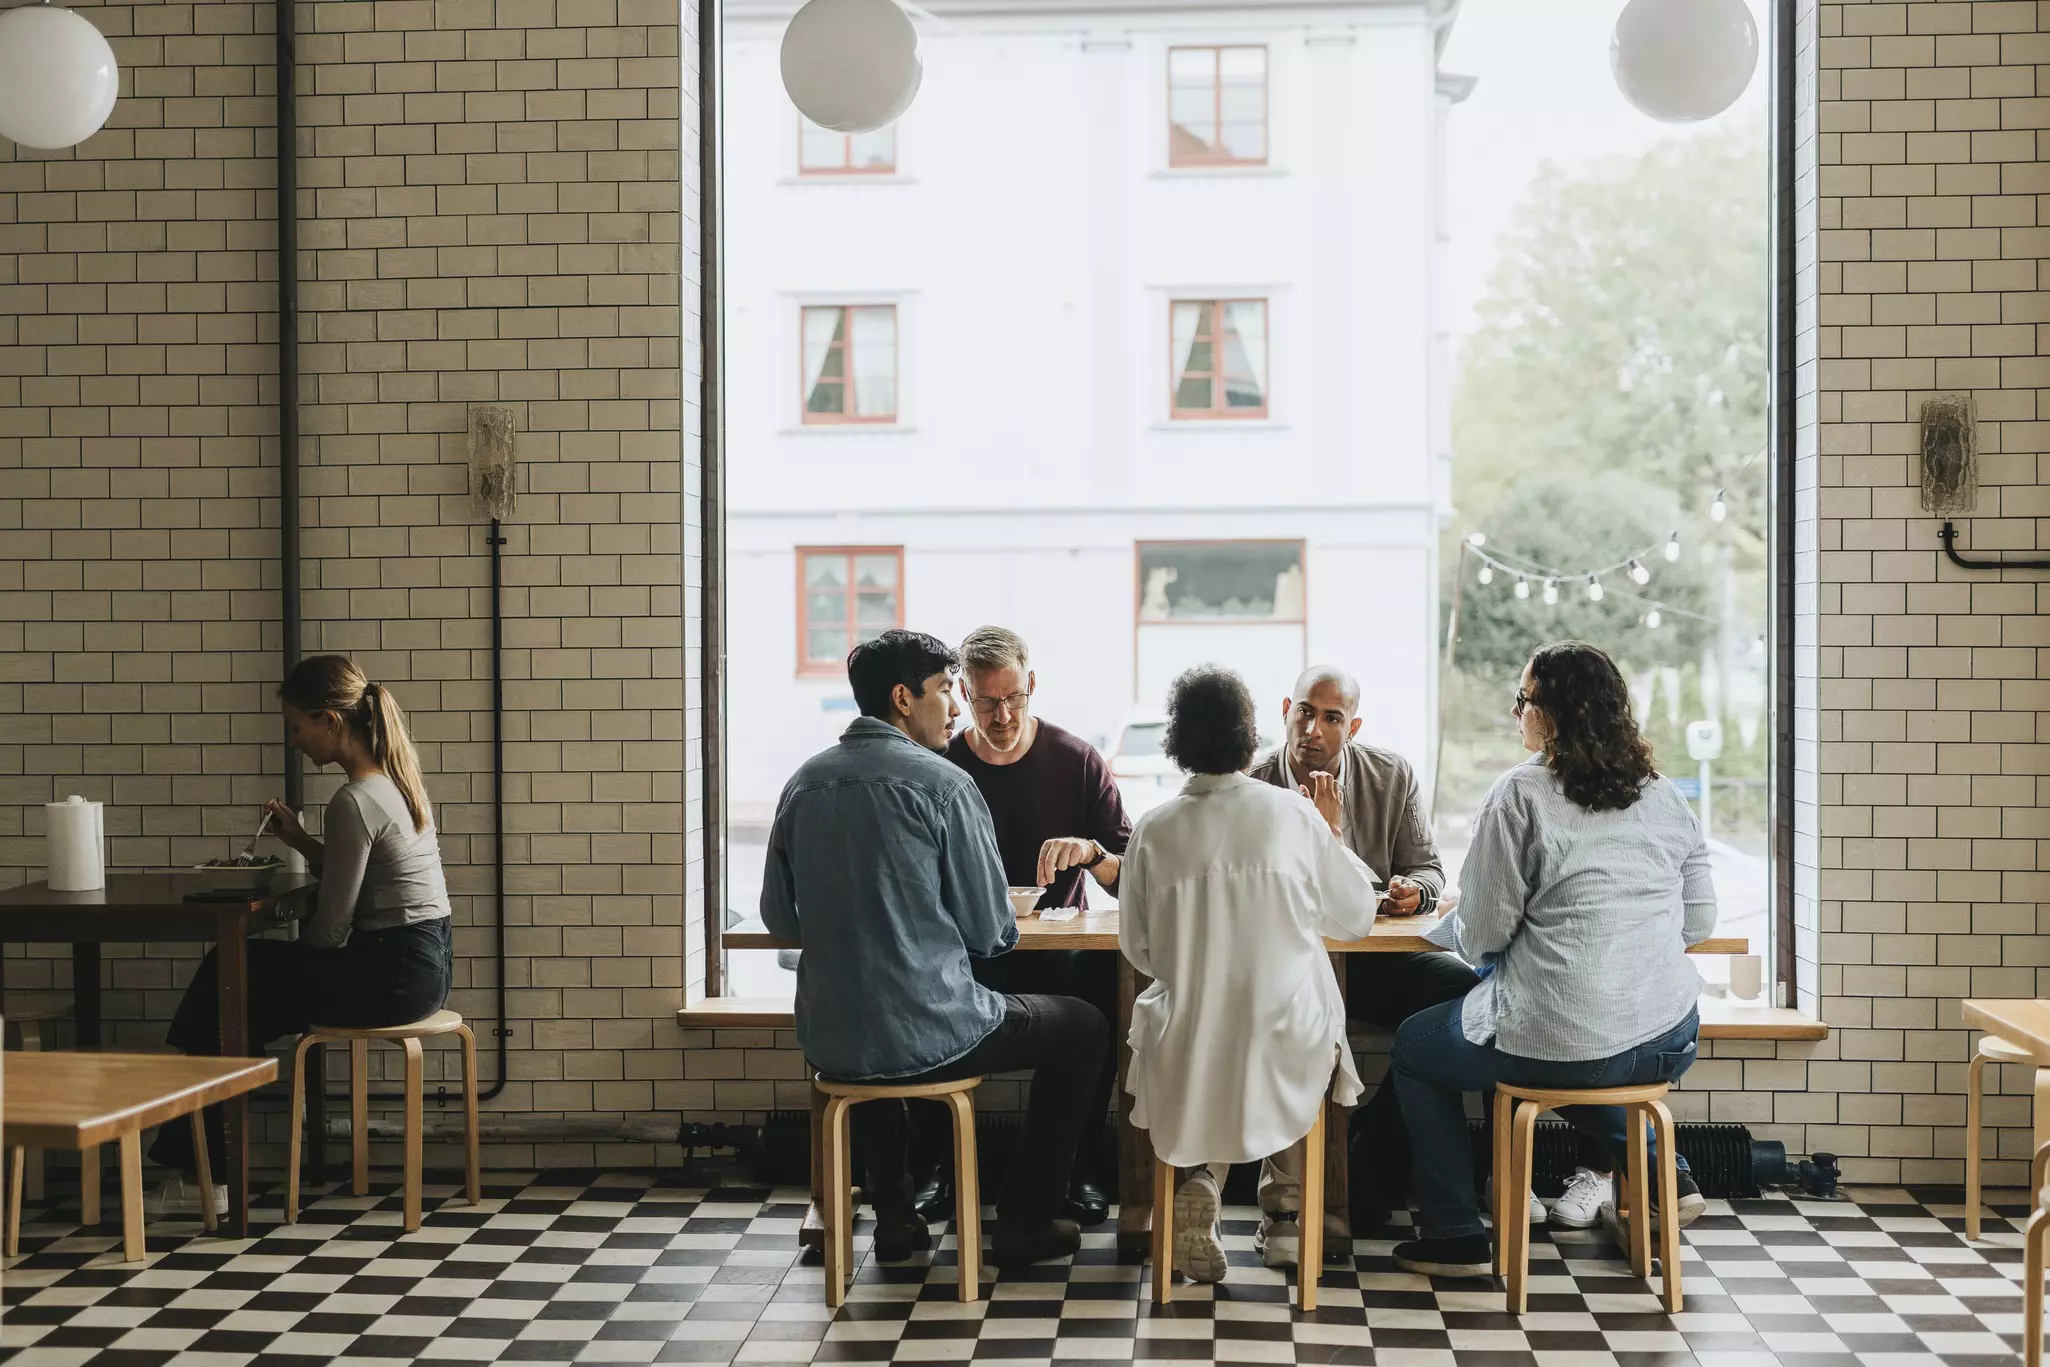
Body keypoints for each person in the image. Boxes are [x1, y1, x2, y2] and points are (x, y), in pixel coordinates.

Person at [761, 629, 1108, 1267]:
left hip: (830, 1038)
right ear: (902, 697)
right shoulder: (944, 785)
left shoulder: (802, 785)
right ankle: (1027, 1218)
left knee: (870, 1029)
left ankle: (895, 1217)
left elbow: (779, 917)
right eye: (948, 691)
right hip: (932, 1033)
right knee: (1084, 1027)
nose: (955, 707)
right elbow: (989, 935)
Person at [1388, 641, 1715, 1277]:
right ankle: (1658, 1164)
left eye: (1524, 700)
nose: (1517, 713)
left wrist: (1469, 915)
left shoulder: (1521, 793)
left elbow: (1481, 936)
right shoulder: (1665, 796)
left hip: (1558, 1036)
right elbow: (1699, 920)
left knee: (1418, 1049)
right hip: (1670, 1035)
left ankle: (1454, 1232)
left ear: (1555, 712)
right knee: (1584, 1050)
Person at [147, 655, 455, 1215]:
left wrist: (284, 950)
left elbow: (333, 927)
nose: (294, 740)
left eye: (297, 726)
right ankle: (202, 1161)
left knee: (229, 978)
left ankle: (202, 1173)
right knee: (234, 991)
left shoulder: (354, 800)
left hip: (389, 974)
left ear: (331, 722)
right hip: (423, 966)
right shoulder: (394, 783)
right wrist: (300, 840)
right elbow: (356, 877)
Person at [1120, 666, 1380, 1282]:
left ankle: (1202, 1181)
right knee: (1290, 1029)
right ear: (1250, 735)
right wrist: (1334, 834)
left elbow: (1138, 948)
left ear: (1177, 739)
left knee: (1219, 1035)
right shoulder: (1293, 816)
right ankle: (1288, 1223)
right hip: (1284, 1033)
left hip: (1187, 1039)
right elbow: (1357, 918)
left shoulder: (1153, 830)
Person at [1249, 667, 1520, 1236]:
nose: (1313, 729)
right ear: (1284, 710)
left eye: (1331, 717)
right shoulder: (1251, 784)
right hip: (1283, 967)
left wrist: (1412, 891)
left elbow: (1427, 866)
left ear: (1353, 726)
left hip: (1373, 958)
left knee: (1466, 995)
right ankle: (1327, 1186)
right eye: (1304, 711)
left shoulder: (1389, 774)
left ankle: (1367, 1156)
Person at [936, 625, 1128, 1223]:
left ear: (1033, 685)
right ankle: (938, 1166)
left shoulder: (1075, 760)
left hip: (1053, 953)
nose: (1002, 715)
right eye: (987, 702)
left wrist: (1093, 852)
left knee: (1101, 983)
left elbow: (1133, 877)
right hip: (965, 954)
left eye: (1014, 698)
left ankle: (1079, 1164)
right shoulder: (942, 767)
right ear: (964, 695)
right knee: (917, 984)